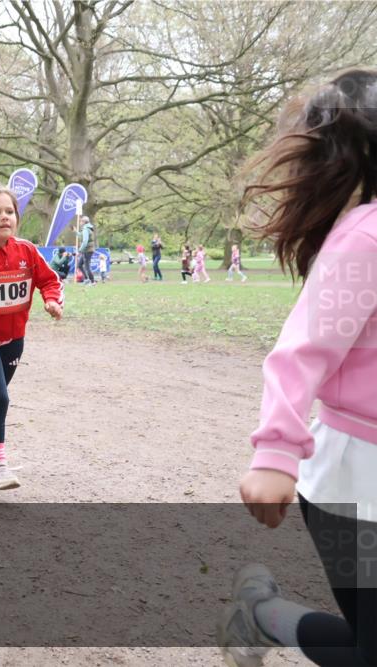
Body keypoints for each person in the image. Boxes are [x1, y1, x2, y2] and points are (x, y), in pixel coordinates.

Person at [217, 68, 376, 667]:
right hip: (355, 480)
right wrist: (277, 451)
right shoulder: (365, 238)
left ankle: (259, 615)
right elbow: (301, 347)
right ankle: (260, 616)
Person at [0, 183, 62, 490]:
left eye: (9, 211)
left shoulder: (27, 251)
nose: (4, 217)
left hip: (15, 339)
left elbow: (49, 280)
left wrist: (52, 300)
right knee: (0, 396)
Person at [77, 216, 96, 284]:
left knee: (87, 266)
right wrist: (75, 231)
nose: (80, 222)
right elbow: (81, 236)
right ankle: (86, 279)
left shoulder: (85, 229)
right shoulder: (88, 228)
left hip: (87, 250)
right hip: (87, 249)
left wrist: (80, 250)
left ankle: (92, 282)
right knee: (79, 265)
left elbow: (85, 241)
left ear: (84, 222)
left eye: (81, 221)